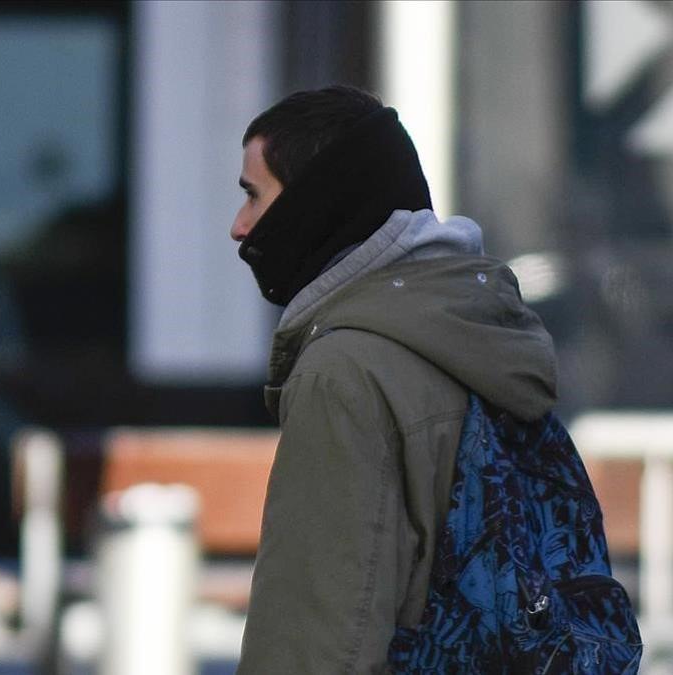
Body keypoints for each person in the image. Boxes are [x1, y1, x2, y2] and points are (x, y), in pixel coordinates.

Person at [230, 86, 557, 672]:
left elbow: (318, 632)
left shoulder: (345, 370)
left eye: (254, 196)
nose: (239, 227)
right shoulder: (481, 331)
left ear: (314, 204)